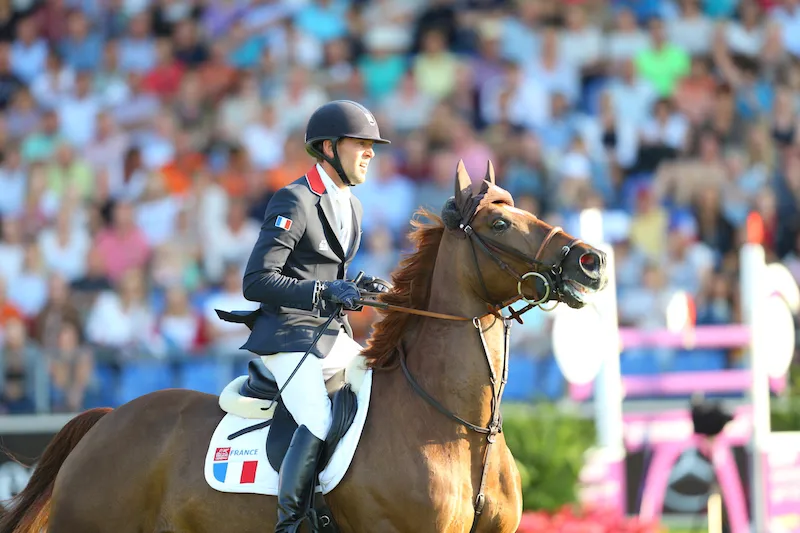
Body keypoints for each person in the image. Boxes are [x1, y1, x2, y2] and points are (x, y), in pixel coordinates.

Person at [219, 100, 392, 532]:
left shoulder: (352, 206)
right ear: (329, 148)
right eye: (361, 144)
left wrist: (358, 288)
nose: (370, 152)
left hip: (331, 335)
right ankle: (291, 523)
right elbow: (257, 280)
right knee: (316, 417)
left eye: (372, 145)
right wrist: (321, 291)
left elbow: (328, 272)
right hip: (289, 335)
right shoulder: (295, 199)